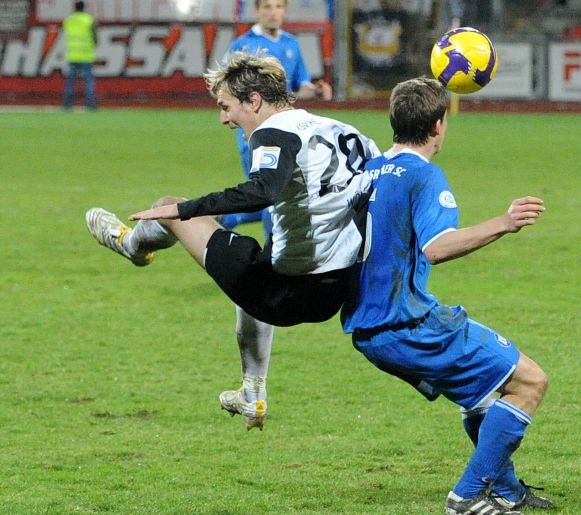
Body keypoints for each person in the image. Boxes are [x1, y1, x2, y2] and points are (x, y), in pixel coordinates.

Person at [85, 52, 379, 431]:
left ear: (253, 100)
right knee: (252, 260)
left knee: (168, 206)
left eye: (226, 107)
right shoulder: (343, 130)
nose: (224, 118)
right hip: (340, 289)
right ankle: (252, 393)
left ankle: (132, 246)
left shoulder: (273, 133)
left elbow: (263, 191)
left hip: (287, 292)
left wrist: (189, 210)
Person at [341, 77, 552, 515]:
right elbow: (436, 246)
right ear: (439, 125)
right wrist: (504, 222)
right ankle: (467, 495)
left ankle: (508, 491)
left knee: (480, 395)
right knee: (530, 382)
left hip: (367, 327)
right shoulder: (423, 176)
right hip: (406, 324)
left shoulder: (369, 170)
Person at [222, 0, 333, 237]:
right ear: (257, 11)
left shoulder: (291, 43)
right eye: (268, 7)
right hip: (254, 132)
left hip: (287, 130)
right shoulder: (242, 46)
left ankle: (229, 217)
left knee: (281, 191)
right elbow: (224, 89)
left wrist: (315, 91)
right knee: (272, 192)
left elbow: (299, 87)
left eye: (278, 7)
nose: (273, 13)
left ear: (285, 10)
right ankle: (273, 259)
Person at [62, 1, 97, 110]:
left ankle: (67, 105)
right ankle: (90, 105)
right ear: (84, 7)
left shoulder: (68, 20)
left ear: (75, 8)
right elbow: (95, 36)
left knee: (70, 82)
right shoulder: (88, 20)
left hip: (72, 55)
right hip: (86, 55)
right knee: (88, 81)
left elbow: (66, 33)